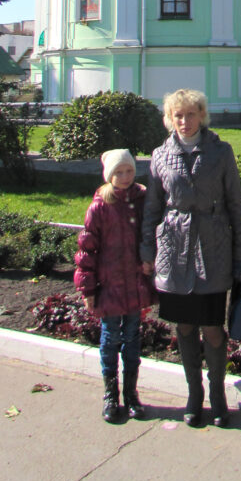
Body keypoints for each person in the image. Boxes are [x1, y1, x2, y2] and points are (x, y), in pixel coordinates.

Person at [141, 89, 241, 427]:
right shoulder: (160, 155)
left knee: (213, 328)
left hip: (213, 247)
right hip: (174, 249)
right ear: (169, 119)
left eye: (191, 115)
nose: (185, 122)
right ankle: (194, 395)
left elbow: (235, 202)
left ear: (201, 116)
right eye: (178, 116)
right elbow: (152, 208)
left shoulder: (220, 152)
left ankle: (216, 393)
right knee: (185, 326)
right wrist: (147, 249)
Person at [74, 149, 154, 423]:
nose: (124, 177)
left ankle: (131, 394)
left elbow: (150, 234)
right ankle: (111, 394)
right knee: (110, 340)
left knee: (132, 340)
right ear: (109, 176)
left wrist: (149, 263)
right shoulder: (100, 207)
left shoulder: (141, 202)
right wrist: (88, 290)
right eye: (118, 172)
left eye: (129, 171)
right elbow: (87, 251)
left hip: (133, 285)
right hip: (109, 286)